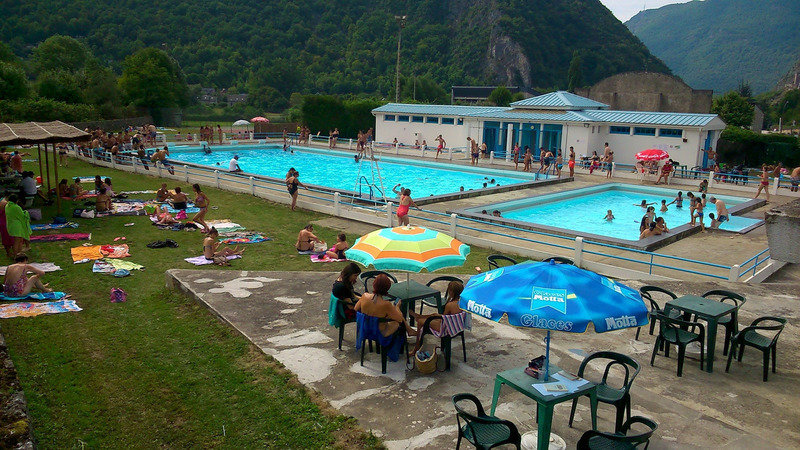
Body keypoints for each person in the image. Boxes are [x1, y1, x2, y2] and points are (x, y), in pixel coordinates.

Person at [407, 280, 465, 355]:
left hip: (446, 328)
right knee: (434, 315)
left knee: (420, 322)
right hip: (456, 325)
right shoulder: (463, 302)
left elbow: (443, 320)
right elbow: (447, 317)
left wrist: (437, 317)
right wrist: (436, 316)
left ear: (451, 292)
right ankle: (418, 317)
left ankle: (416, 347)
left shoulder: (450, 305)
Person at [354, 274, 414, 338]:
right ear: (387, 288)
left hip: (365, 328)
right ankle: (405, 336)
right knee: (396, 322)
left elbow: (356, 308)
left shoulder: (365, 296)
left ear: (374, 284)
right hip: (378, 332)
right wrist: (397, 307)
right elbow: (399, 319)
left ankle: (410, 330)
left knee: (388, 316)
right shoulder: (386, 304)